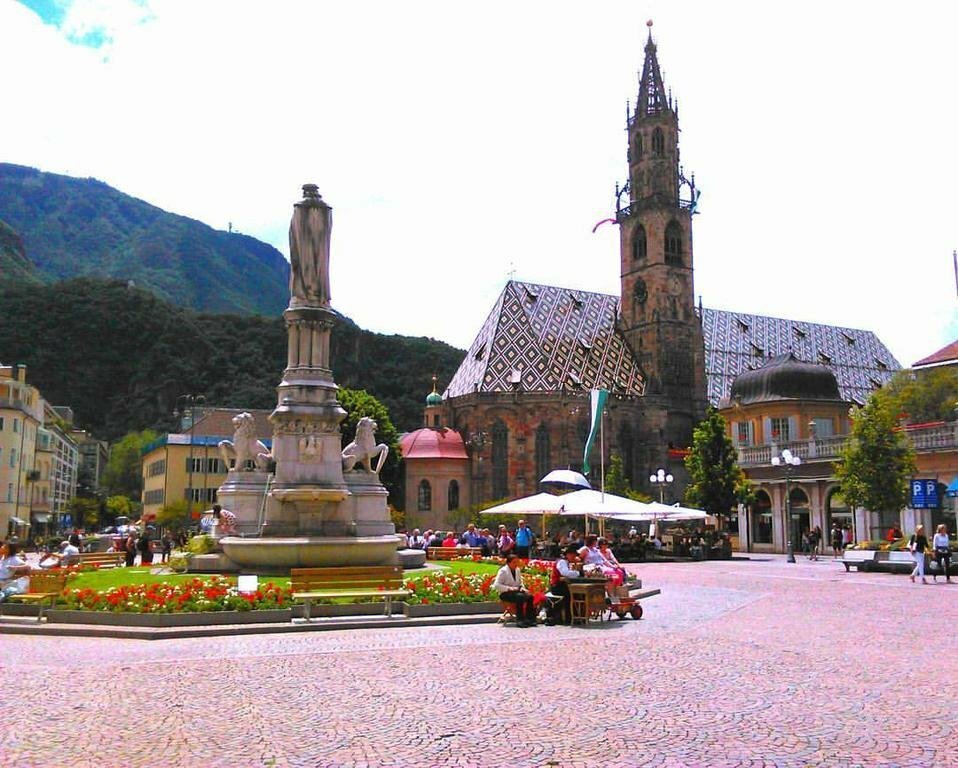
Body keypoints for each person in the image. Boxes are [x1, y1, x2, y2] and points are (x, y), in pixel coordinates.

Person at [493, 554, 537, 627]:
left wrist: (523, 588)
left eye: (517, 562)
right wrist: (509, 588)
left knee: (530, 596)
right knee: (520, 597)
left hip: (516, 592)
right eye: (514, 562)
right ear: (508, 563)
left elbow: (520, 583)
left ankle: (530, 619)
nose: (516, 564)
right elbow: (496, 585)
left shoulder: (517, 570)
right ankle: (520, 620)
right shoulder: (503, 571)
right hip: (505, 593)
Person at [546, 545, 581, 625]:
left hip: (562, 585)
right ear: (568, 554)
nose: (574, 557)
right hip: (557, 586)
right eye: (573, 555)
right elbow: (565, 573)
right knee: (570, 595)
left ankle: (575, 616)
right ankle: (569, 618)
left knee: (576, 594)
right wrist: (577, 573)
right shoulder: (562, 562)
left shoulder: (567, 563)